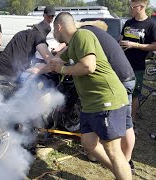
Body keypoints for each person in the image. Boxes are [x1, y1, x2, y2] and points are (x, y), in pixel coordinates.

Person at [51, 12, 132, 179]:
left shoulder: (83, 35)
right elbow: (58, 61)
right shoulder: (72, 44)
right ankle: (120, 171)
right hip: (90, 103)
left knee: (112, 149)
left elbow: (88, 66)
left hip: (106, 98)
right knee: (88, 143)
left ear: (59, 27)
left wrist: (63, 70)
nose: (53, 33)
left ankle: (122, 171)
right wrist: (38, 68)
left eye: (53, 29)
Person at [77, 21, 136, 172]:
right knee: (127, 123)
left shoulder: (84, 35)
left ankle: (122, 165)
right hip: (128, 75)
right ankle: (127, 162)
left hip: (118, 81)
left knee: (119, 127)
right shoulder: (101, 34)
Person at [120, 0, 156, 124]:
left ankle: (132, 121)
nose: (130, 9)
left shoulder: (151, 24)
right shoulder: (128, 22)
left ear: (141, 7)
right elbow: (121, 39)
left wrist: (134, 45)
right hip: (122, 64)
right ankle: (120, 117)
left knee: (134, 94)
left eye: (132, 7)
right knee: (120, 91)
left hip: (137, 65)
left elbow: (154, 46)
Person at [0, 12, 56, 81]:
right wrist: (58, 65)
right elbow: (48, 57)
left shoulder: (22, 33)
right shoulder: (39, 36)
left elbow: (23, 52)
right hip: (9, 71)